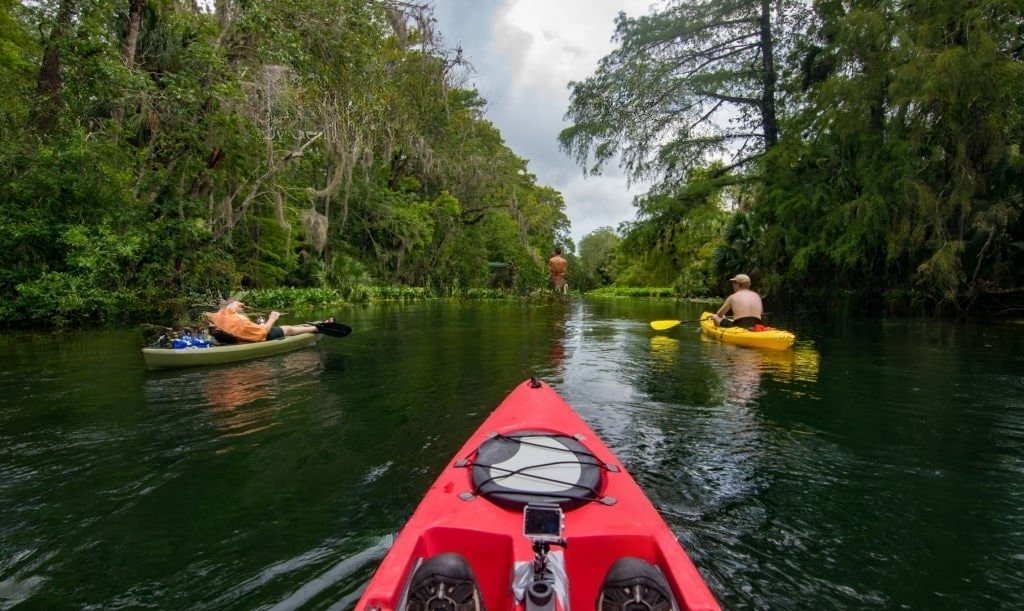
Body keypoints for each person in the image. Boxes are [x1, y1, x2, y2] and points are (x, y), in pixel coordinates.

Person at [205, 299, 320, 342]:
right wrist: (272, 318)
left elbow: (230, 307)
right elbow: (262, 333)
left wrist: (233, 304)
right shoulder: (241, 321)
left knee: (260, 323)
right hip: (249, 337)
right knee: (288, 329)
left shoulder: (219, 314)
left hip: (226, 337)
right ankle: (316, 328)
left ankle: (261, 322)